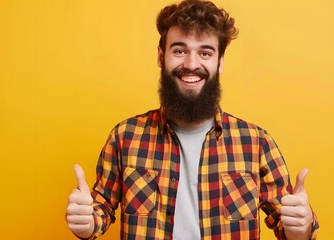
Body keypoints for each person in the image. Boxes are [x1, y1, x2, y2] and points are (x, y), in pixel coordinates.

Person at [65, 0, 319, 239]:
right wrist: (86, 223)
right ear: (160, 55)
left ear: (220, 62)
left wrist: (302, 226)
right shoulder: (125, 136)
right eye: (179, 50)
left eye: (205, 53)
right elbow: (99, 211)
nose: (191, 63)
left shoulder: (256, 143)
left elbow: (289, 227)